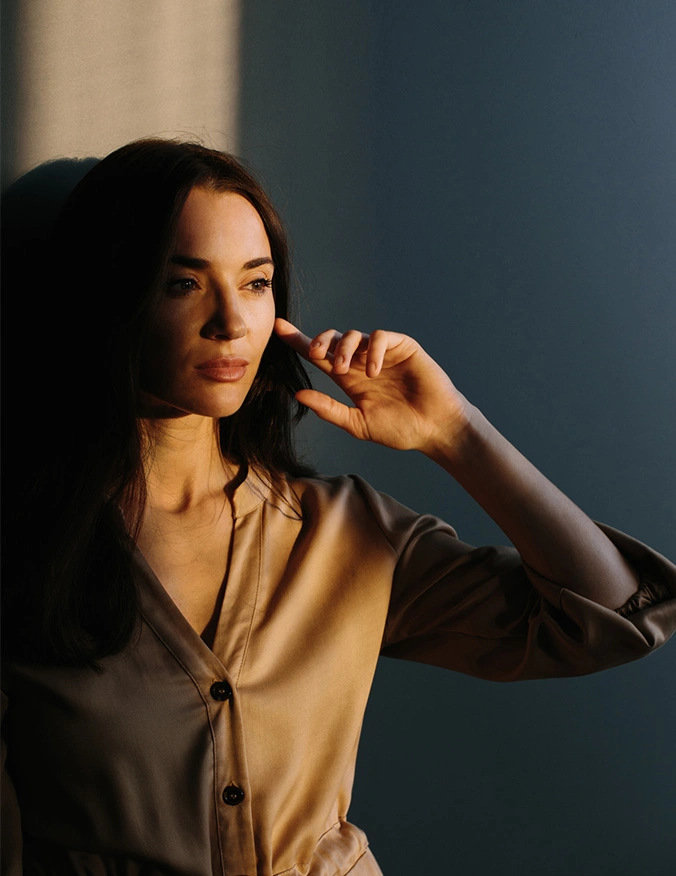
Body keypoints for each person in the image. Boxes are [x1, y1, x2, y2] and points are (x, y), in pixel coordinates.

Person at [1, 138, 675, 876]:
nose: (231, 322)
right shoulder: (27, 547)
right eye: (182, 283)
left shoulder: (345, 532)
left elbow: (610, 619)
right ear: (109, 293)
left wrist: (457, 433)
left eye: (256, 283)